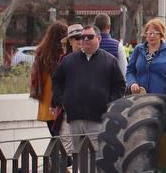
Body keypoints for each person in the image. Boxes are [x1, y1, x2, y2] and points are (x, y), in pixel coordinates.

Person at [52, 23, 125, 161]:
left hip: (98, 117)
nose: (84, 40)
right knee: (79, 156)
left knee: (97, 155)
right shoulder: (68, 61)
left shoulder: (110, 61)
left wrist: (109, 103)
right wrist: (62, 101)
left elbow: (120, 86)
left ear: (98, 39)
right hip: (74, 118)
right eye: (82, 37)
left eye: (89, 37)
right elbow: (57, 81)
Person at [28, 21, 69, 137]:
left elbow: (35, 75)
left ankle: (56, 154)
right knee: (64, 137)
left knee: (54, 134)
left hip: (46, 97)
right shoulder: (63, 53)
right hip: (59, 98)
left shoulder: (42, 52)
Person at [126, 18, 166, 96]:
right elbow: (130, 71)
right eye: (149, 33)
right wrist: (132, 83)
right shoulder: (138, 49)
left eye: (156, 33)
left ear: (161, 34)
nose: (152, 36)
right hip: (140, 98)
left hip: (162, 98)